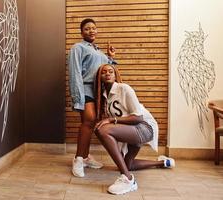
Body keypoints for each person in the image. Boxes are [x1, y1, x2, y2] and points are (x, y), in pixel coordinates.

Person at [94, 64, 175, 195]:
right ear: (100, 77)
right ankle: (162, 162)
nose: (107, 74)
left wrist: (111, 120)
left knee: (102, 129)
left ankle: (128, 179)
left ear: (115, 75)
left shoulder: (123, 88)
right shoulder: (105, 96)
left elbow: (138, 117)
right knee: (128, 164)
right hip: (131, 130)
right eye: (104, 72)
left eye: (110, 71)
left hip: (144, 127)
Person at [68, 18, 116, 177]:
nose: (91, 31)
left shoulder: (100, 52)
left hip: (98, 91)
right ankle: (78, 159)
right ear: (82, 32)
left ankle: (86, 157)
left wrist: (110, 57)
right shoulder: (78, 47)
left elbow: (106, 70)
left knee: (93, 122)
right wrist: (77, 97)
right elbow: (75, 72)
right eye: (87, 28)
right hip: (85, 88)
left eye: (94, 28)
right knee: (88, 121)